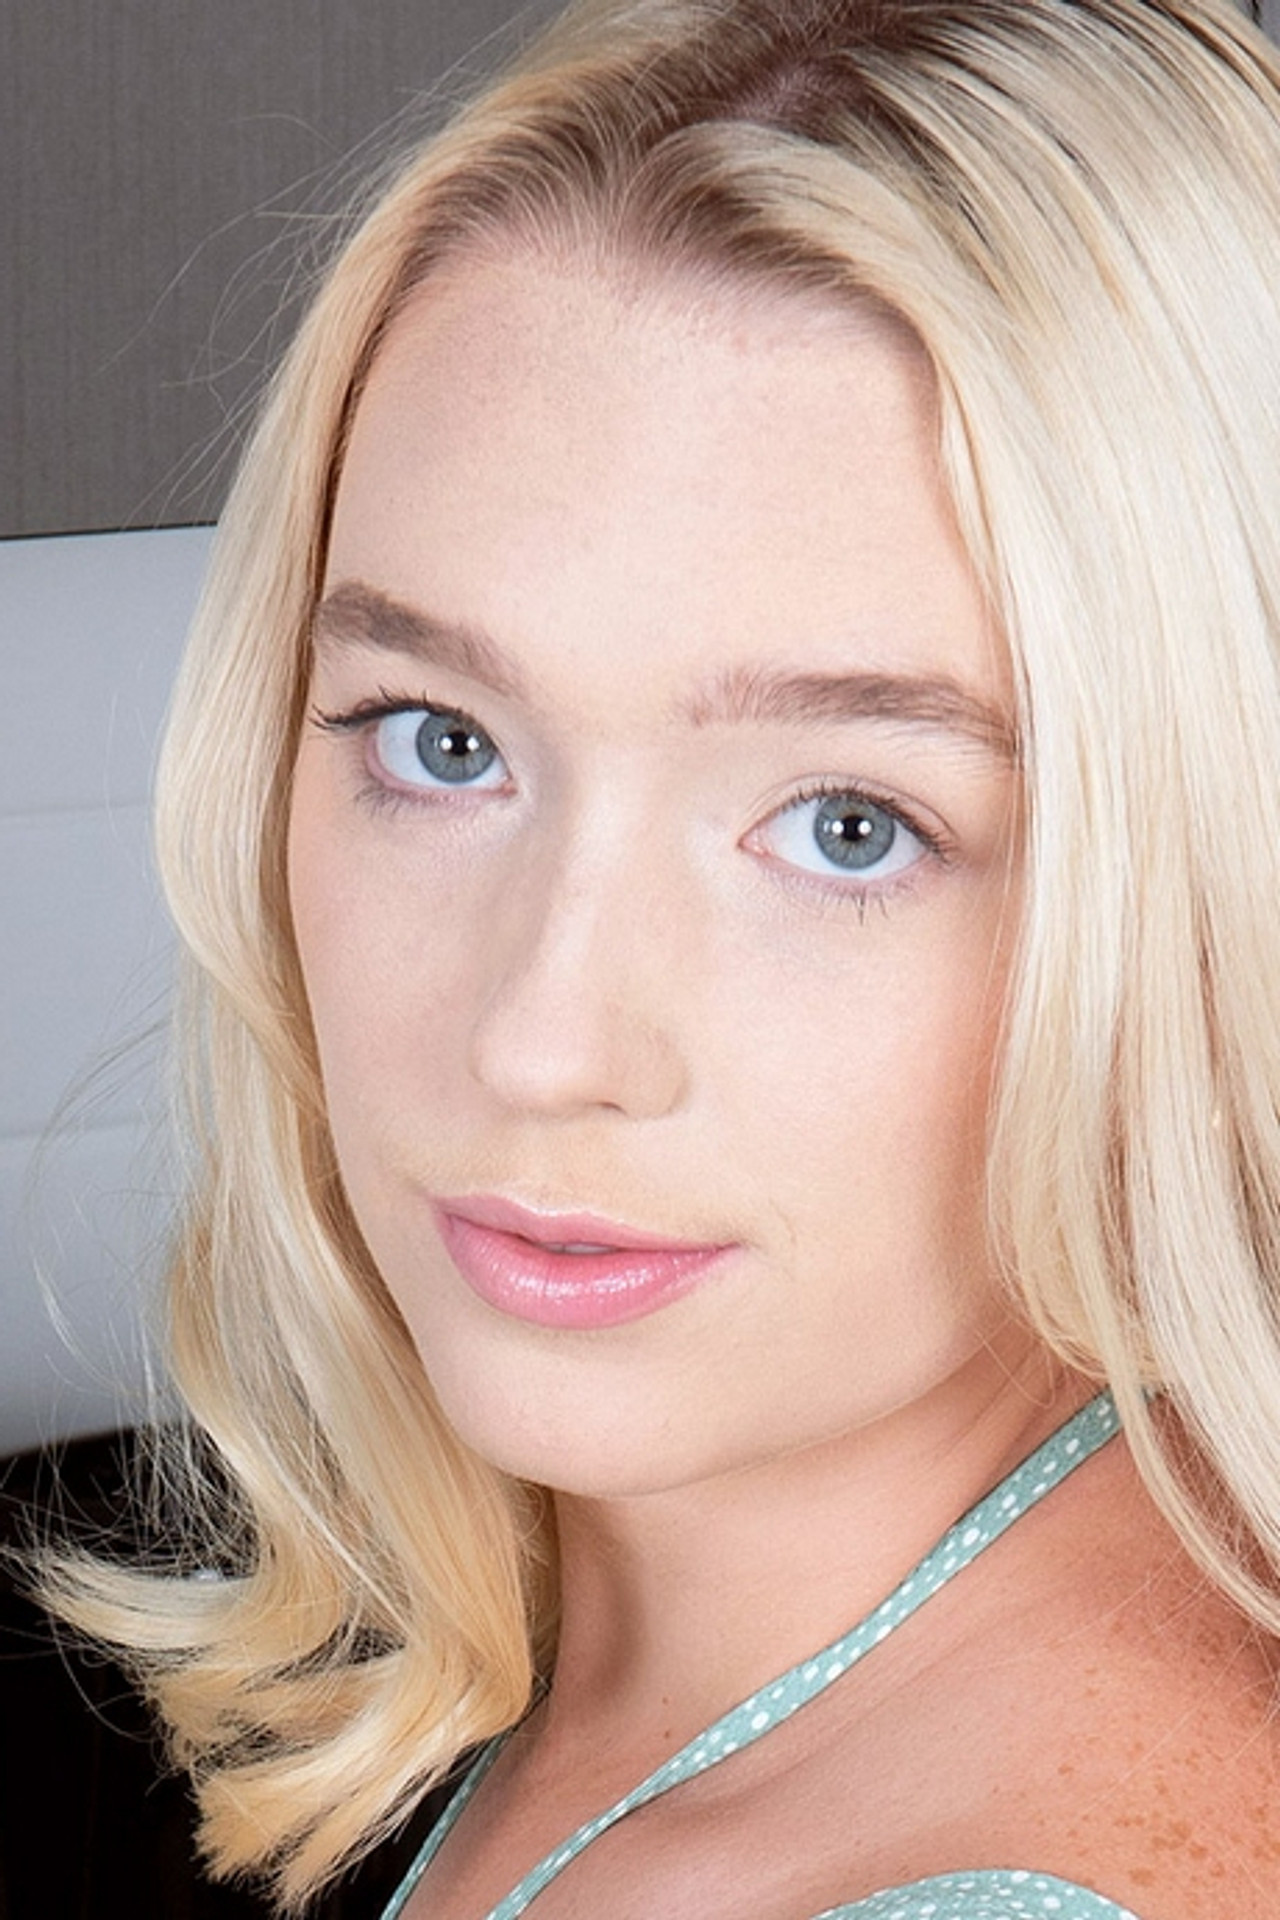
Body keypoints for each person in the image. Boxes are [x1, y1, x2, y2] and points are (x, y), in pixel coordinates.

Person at [44, 1, 1280, 1915]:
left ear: (1206, 892)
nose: (542, 1040)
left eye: (849, 826)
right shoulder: (685, 1616)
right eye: (443, 742)